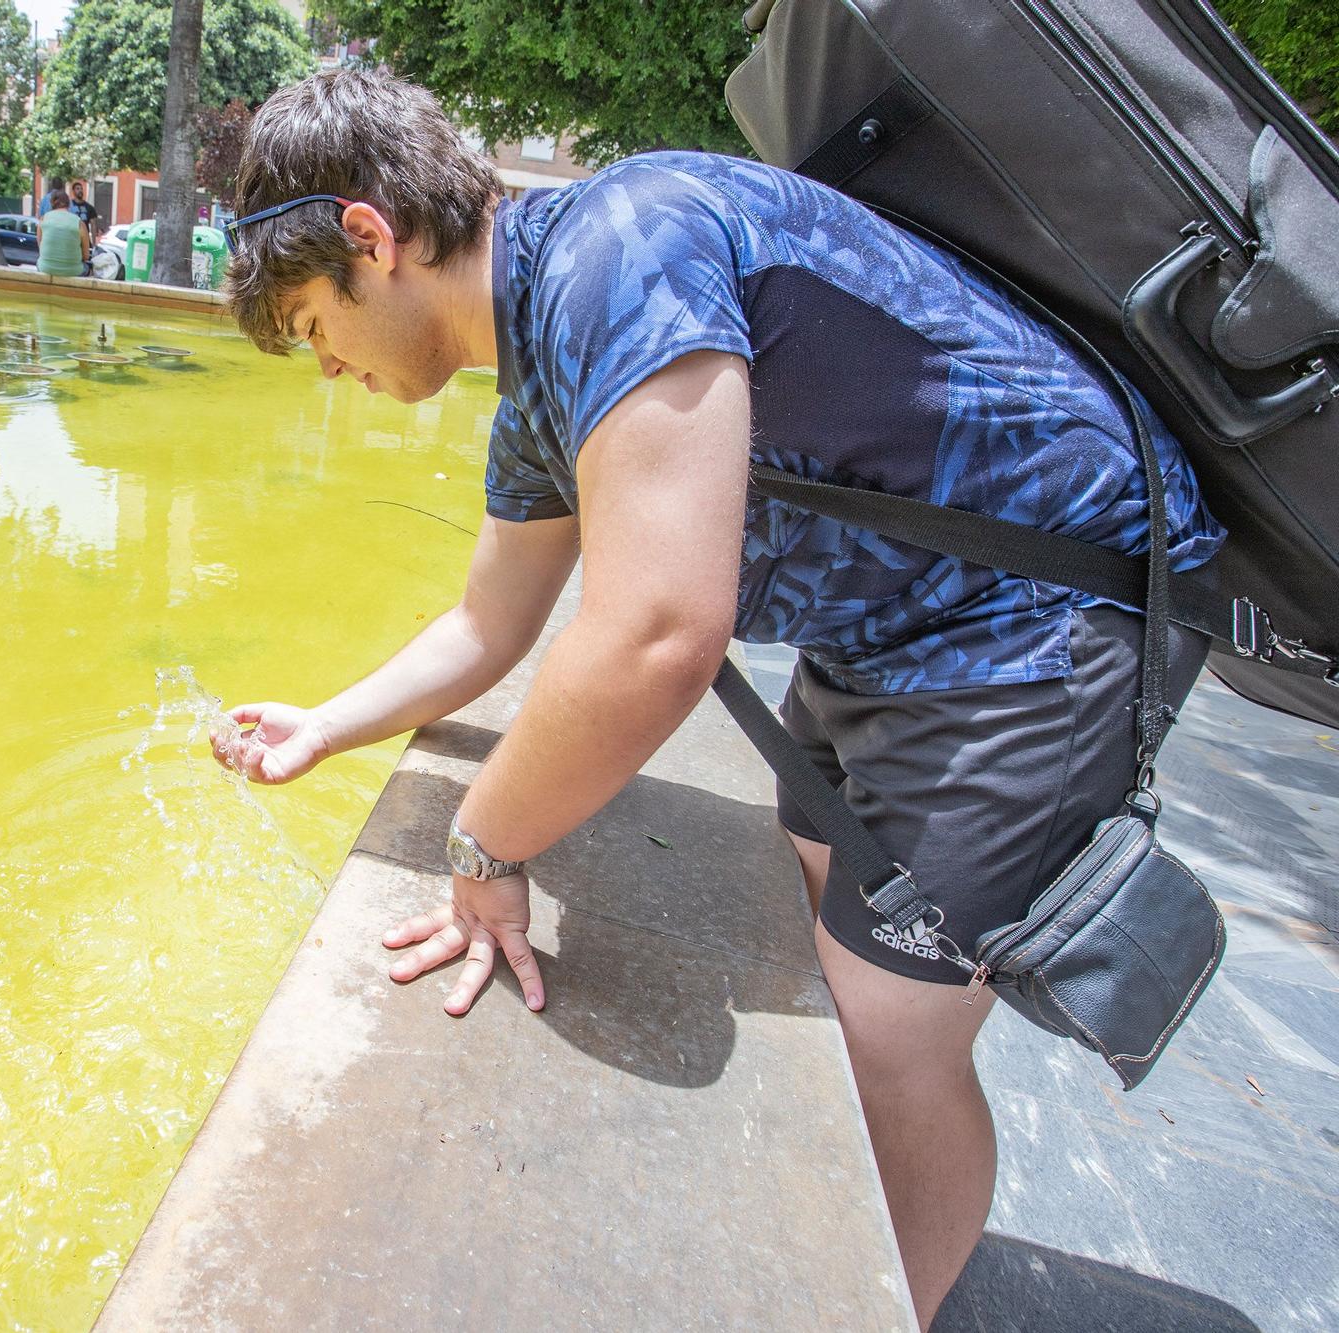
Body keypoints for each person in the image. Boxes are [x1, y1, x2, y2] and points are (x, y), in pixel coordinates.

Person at [210, 68, 1222, 1328]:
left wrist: (486, 840)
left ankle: (887, 1301)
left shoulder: (620, 247)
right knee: (813, 894)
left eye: (315, 327)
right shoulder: (539, 372)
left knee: (888, 1041)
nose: (327, 370)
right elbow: (489, 621)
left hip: (1042, 621)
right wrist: (325, 723)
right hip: (892, 633)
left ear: (371, 238)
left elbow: (652, 635)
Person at [35, 186, 89, 278]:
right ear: (69, 204)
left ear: (52, 203)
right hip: (73, 271)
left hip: (46, 268)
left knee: (39, 262)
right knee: (87, 268)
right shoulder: (79, 222)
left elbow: (41, 248)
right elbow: (86, 256)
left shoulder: (43, 219)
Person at [69, 180, 102, 276]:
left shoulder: (89, 208)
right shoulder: (68, 206)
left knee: (86, 263)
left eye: (81, 189)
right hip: (72, 239)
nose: (80, 191)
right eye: (77, 189)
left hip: (84, 240)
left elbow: (93, 225)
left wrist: (94, 243)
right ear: (73, 191)